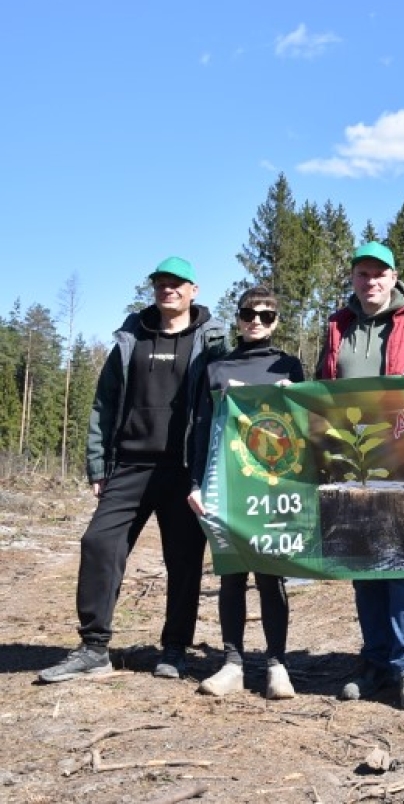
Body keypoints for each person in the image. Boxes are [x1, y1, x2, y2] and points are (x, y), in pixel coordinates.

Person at [39, 257, 227, 684]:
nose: (168, 290)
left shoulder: (212, 340)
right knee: (99, 543)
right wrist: (97, 462)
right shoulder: (131, 338)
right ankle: (93, 648)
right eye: (161, 283)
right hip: (130, 463)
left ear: (193, 290)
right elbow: (104, 402)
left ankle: (175, 649)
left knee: (184, 561)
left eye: (176, 284)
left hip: (183, 468)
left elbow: (224, 404)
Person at [318, 242, 404, 709]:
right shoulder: (337, 325)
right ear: (352, 279)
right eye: (362, 274)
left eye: (379, 273)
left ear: (394, 277)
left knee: (401, 563)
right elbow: (323, 385)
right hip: (349, 458)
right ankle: (374, 660)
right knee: (361, 562)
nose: (370, 281)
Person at [188, 286, 305, 699]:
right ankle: (233, 663)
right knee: (232, 575)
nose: (256, 321)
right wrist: (196, 483)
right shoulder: (216, 368)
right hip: (226, 484)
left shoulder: (289, 365)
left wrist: (295, 397)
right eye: (248, 313)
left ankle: (277, 664)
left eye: (266, 315)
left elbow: (304, 429)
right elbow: (200, 427)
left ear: (277, 321)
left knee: (271, 576)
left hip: (272, 484)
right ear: (236, 317)